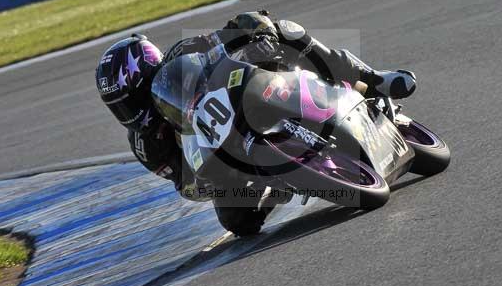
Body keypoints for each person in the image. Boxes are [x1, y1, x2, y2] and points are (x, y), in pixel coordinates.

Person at [95, 10, 416, 200]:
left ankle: (373, 78)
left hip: (251, 86)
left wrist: (254, 34)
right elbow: (183, 185)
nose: (129, 113)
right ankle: (280, 181)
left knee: (283, 29)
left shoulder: (183, 51)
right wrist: (204, 187)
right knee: (237, 222)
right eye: (119, 108)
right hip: (223, 158)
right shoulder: (145, 143)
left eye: (129, 101)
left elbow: (230, 32)